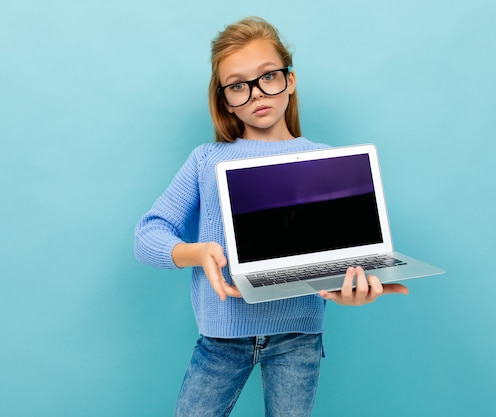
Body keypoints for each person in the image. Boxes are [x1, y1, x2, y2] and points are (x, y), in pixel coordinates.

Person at [134, 16, 409, 417]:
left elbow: (345, 250)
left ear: (290, 80)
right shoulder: (206, 160)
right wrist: (198, 252)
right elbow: (147, 235)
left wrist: (353, 286)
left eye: (268, 77)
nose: (257, 94)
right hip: (220, 339)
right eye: (238, 86)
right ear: (225, 98)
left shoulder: (324, 159)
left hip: (299, 337)